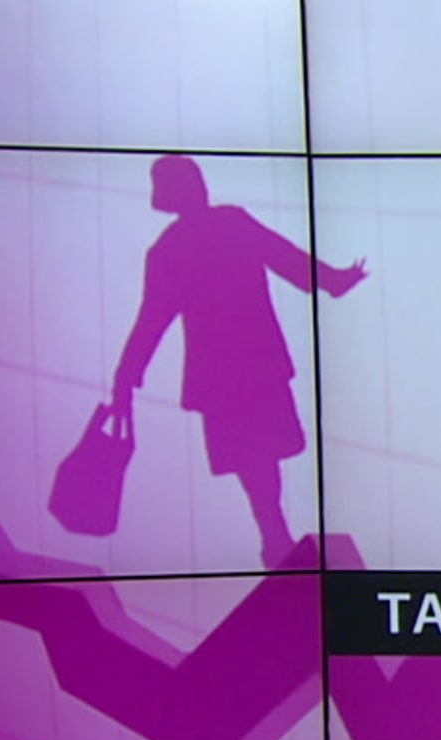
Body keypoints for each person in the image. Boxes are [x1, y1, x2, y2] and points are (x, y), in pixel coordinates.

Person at [111, 155, 366, 568]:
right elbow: (284, 258)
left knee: (257, 457)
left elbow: (151, 320)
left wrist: (126, 377)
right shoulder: (220, 227)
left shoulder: (170, 248)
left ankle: (273, 534)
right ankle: (273, 534)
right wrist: (332, 281)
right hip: (250, 364)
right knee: (260, 455)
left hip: (226, 372)